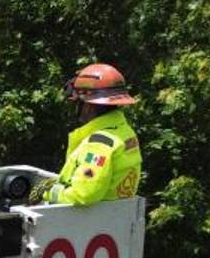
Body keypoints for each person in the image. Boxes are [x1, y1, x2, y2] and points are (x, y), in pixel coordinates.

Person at [33, 63, 142, 205]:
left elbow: (83, 194)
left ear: (88, 105)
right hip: (117, 218)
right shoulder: (124, 132)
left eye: (77, 102)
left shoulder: (99, 144)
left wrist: (47, 192)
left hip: (92, 223)